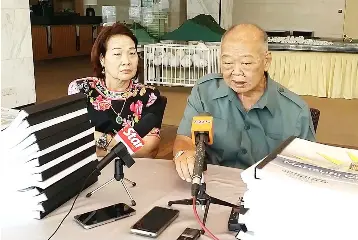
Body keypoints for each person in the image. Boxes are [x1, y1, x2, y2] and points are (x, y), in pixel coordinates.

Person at [173, 24, 316, 182]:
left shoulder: (295, 111)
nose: (236, 72)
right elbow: (185, 138)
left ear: (266, 61)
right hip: (211, 187)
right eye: (227, 63)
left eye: (246, 63)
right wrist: (184, 153)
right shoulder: (204, 92)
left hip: (265, 192)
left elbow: (306, 170)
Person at [68, 23, 164, 158]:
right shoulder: (82, 89)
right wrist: (123, 146)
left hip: (135, 171)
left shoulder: (149, 96)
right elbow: (75, 142)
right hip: (91, 171)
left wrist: (102, 140)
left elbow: (148, 149)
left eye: (132, 53)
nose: (126, 61)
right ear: (102, 59)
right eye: (117, 54)